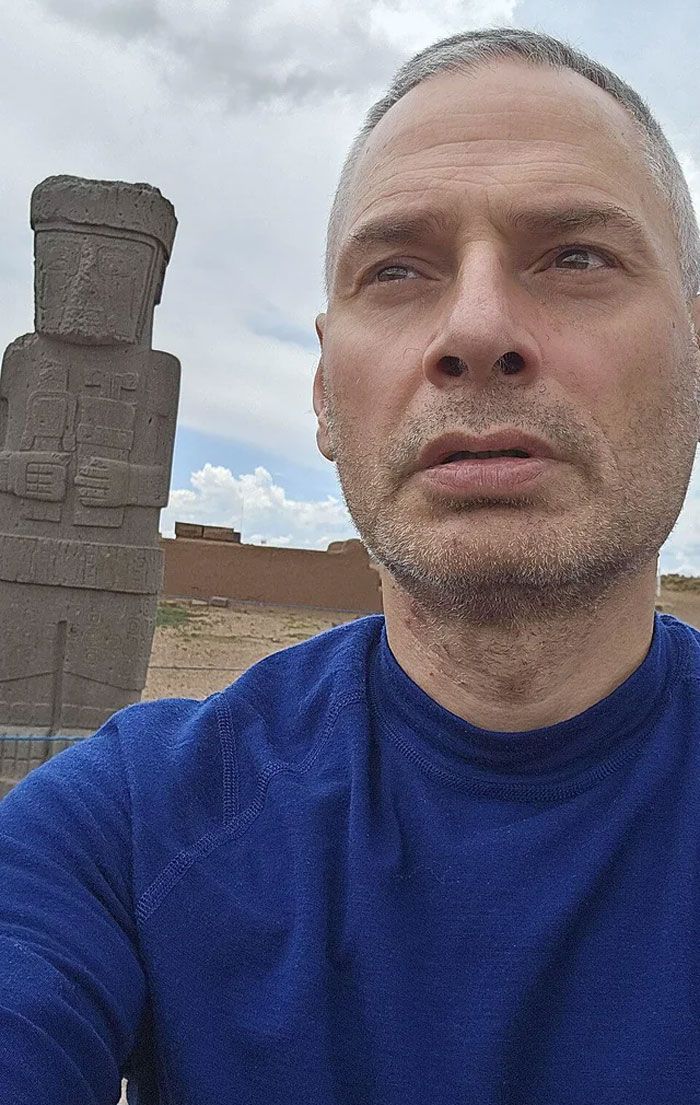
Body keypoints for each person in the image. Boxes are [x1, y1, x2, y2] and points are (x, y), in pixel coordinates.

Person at [2, 26, 700, 1104]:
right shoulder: (124, 830)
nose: (475, 329)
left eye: (574, 256)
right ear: (326, 393)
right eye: (397, 269)